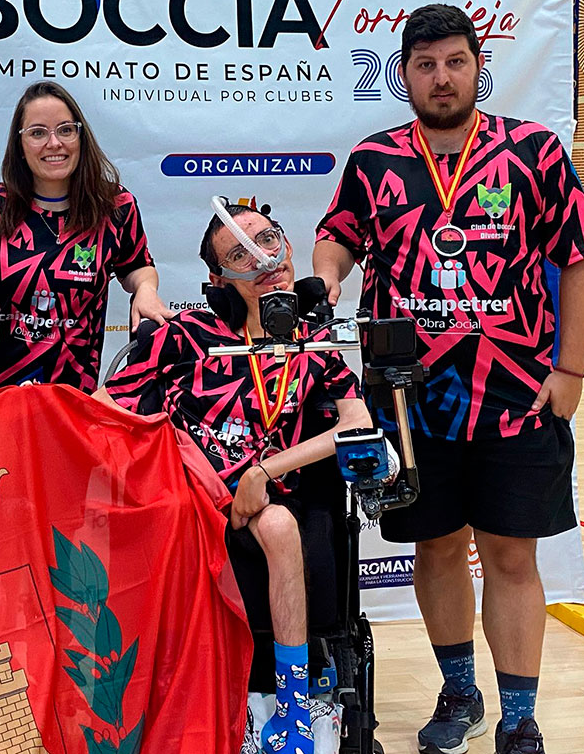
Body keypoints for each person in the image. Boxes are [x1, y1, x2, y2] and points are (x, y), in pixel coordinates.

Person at [313, 4, 584, 754]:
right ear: (403, 74)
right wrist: (329, 276)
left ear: (478, 67)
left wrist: (571, 369)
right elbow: (337, 237)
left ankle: (520, 717)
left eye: (454, 62)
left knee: (511, 555)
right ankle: (460, 693)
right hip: (410, 403)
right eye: (425, 65)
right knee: (438, 548)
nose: (441, 78)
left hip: (517, 395)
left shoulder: (533, 151)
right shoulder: (375, 159)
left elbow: (579, 258)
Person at [97, 202, 370, 753]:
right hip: (188, 496)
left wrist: (266, 471)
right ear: (219, 278)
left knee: (281, 526)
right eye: (240, 255)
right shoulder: (187, 334)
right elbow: (104, 406)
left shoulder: (312, 342)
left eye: (268, 240)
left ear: (288, 246)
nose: (263, 259)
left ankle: (293, 703)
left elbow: (357, 425)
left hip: (262, 498)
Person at [0, 81, 173, 392]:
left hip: (71, 395)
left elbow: (137, 266)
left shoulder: (115, 207)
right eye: (37, 133)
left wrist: (146, 289)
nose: (54, 143)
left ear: (80, 137)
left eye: (65, 130)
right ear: (20, 145)